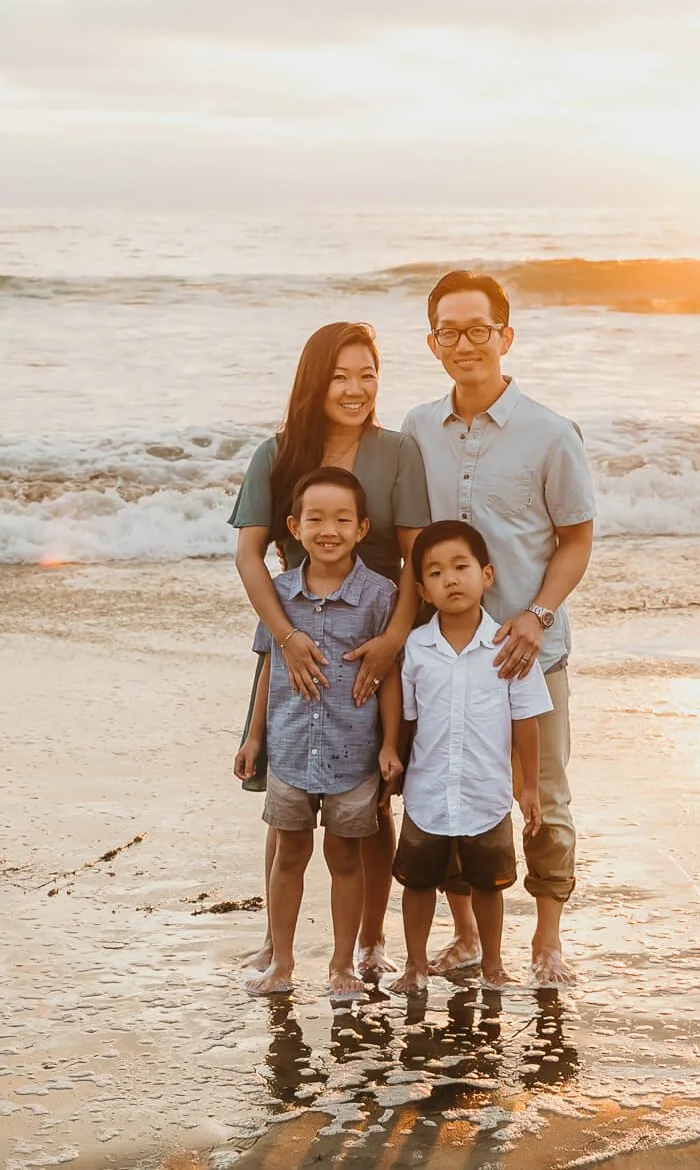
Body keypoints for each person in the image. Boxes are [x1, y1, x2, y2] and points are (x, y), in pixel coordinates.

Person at [399, 271, 595, 989]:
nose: (464, 343)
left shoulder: (550, 432)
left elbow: (576, 538)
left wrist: (536, 615)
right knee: (448, 792)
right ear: (432, 343)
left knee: (543, 794)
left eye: (479, 328)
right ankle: (469, 936)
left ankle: (547, 938)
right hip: (448, 657)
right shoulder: (418, 427)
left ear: (505, 336)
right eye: (448, 331)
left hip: (527, 654)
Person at [229, 321, 431, 980]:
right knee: (284, 798)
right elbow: (249, 552)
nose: (356, 388)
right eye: (341, 375)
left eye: (368, 373)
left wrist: (393, 642)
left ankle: (369, 939)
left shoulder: (398, 451)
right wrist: (283, 637)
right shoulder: (277, 452)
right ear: (316, 380)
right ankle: (275, 943)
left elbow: (413, 557)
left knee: (371, 800)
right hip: (295, 641)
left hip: (375, 632)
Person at [232, 467, 403, 999]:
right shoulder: (278, 594)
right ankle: (281, 963)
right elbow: (268, 671)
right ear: (294, 526)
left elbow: (390, 676)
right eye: (316, 519)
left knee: (346, 859)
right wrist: (254, 739)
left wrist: (391, 745)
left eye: (342, 519)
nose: (329, 529)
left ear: (362, 528)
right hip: (288, 749)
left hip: (353, 754)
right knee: (289, 855)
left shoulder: (380, 595)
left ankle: (341, 964)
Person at [390, 520, 548, 992]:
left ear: (487, 574)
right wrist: (390, 769)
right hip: (428, 789)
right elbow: (408, 720)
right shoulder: (417, 647)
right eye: (436, 573)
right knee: (417, 882)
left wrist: (530, 788)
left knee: (488, 883)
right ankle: (415, 965)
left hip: (486, 789)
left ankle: (493, 963)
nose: (451, 579)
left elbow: (527, 721)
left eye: (461, 567)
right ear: (422, 588)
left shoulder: (507, 647)